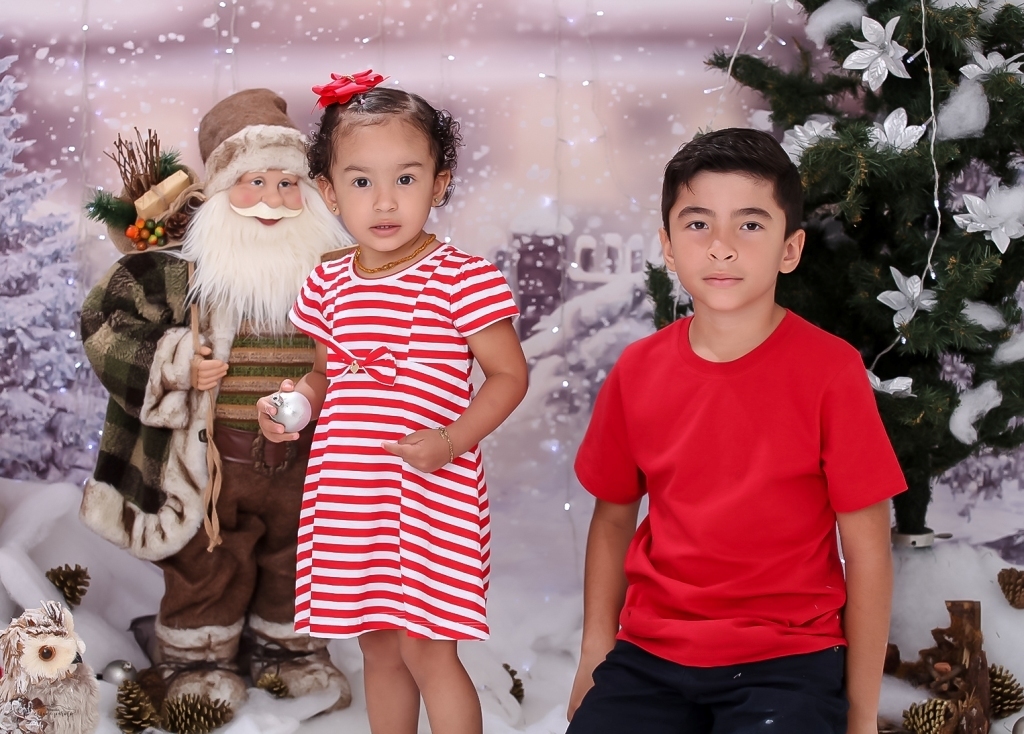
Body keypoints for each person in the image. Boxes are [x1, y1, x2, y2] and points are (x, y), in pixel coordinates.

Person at [566, 127, 907, 734]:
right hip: (652, 654)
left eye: (750, 224)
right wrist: (595, 654)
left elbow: (868, 551)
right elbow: (613, 518)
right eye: (698, 224)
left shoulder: (831, 371)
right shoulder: (638, 370)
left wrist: (860, 715)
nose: (721, 247)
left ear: (789, 249)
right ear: (669, 247)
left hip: (789, 659)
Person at [256, 71, 529, 734]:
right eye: (360, 182)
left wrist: (451, 440)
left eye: (405, 178)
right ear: (328, 191)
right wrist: (294, 406)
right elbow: (325, 371)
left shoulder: (461, 277)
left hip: (430, 491)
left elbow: (508, 375)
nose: (384, 201)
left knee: (427, 649)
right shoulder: (329, 280)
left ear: (439, 183)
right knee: (377, 648)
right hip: (352, 493)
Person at [80, 89, 354, 713]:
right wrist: (176, 360)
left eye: (288, 184)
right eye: (254, 182)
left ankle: (291, 653)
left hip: (306, 460)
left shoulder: (339, 273)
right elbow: (104, 325)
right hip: (210, 465)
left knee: (296, 556)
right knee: (209, 559)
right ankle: (197, 662)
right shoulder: (178, 272)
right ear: (221, 192)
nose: (273, 201)